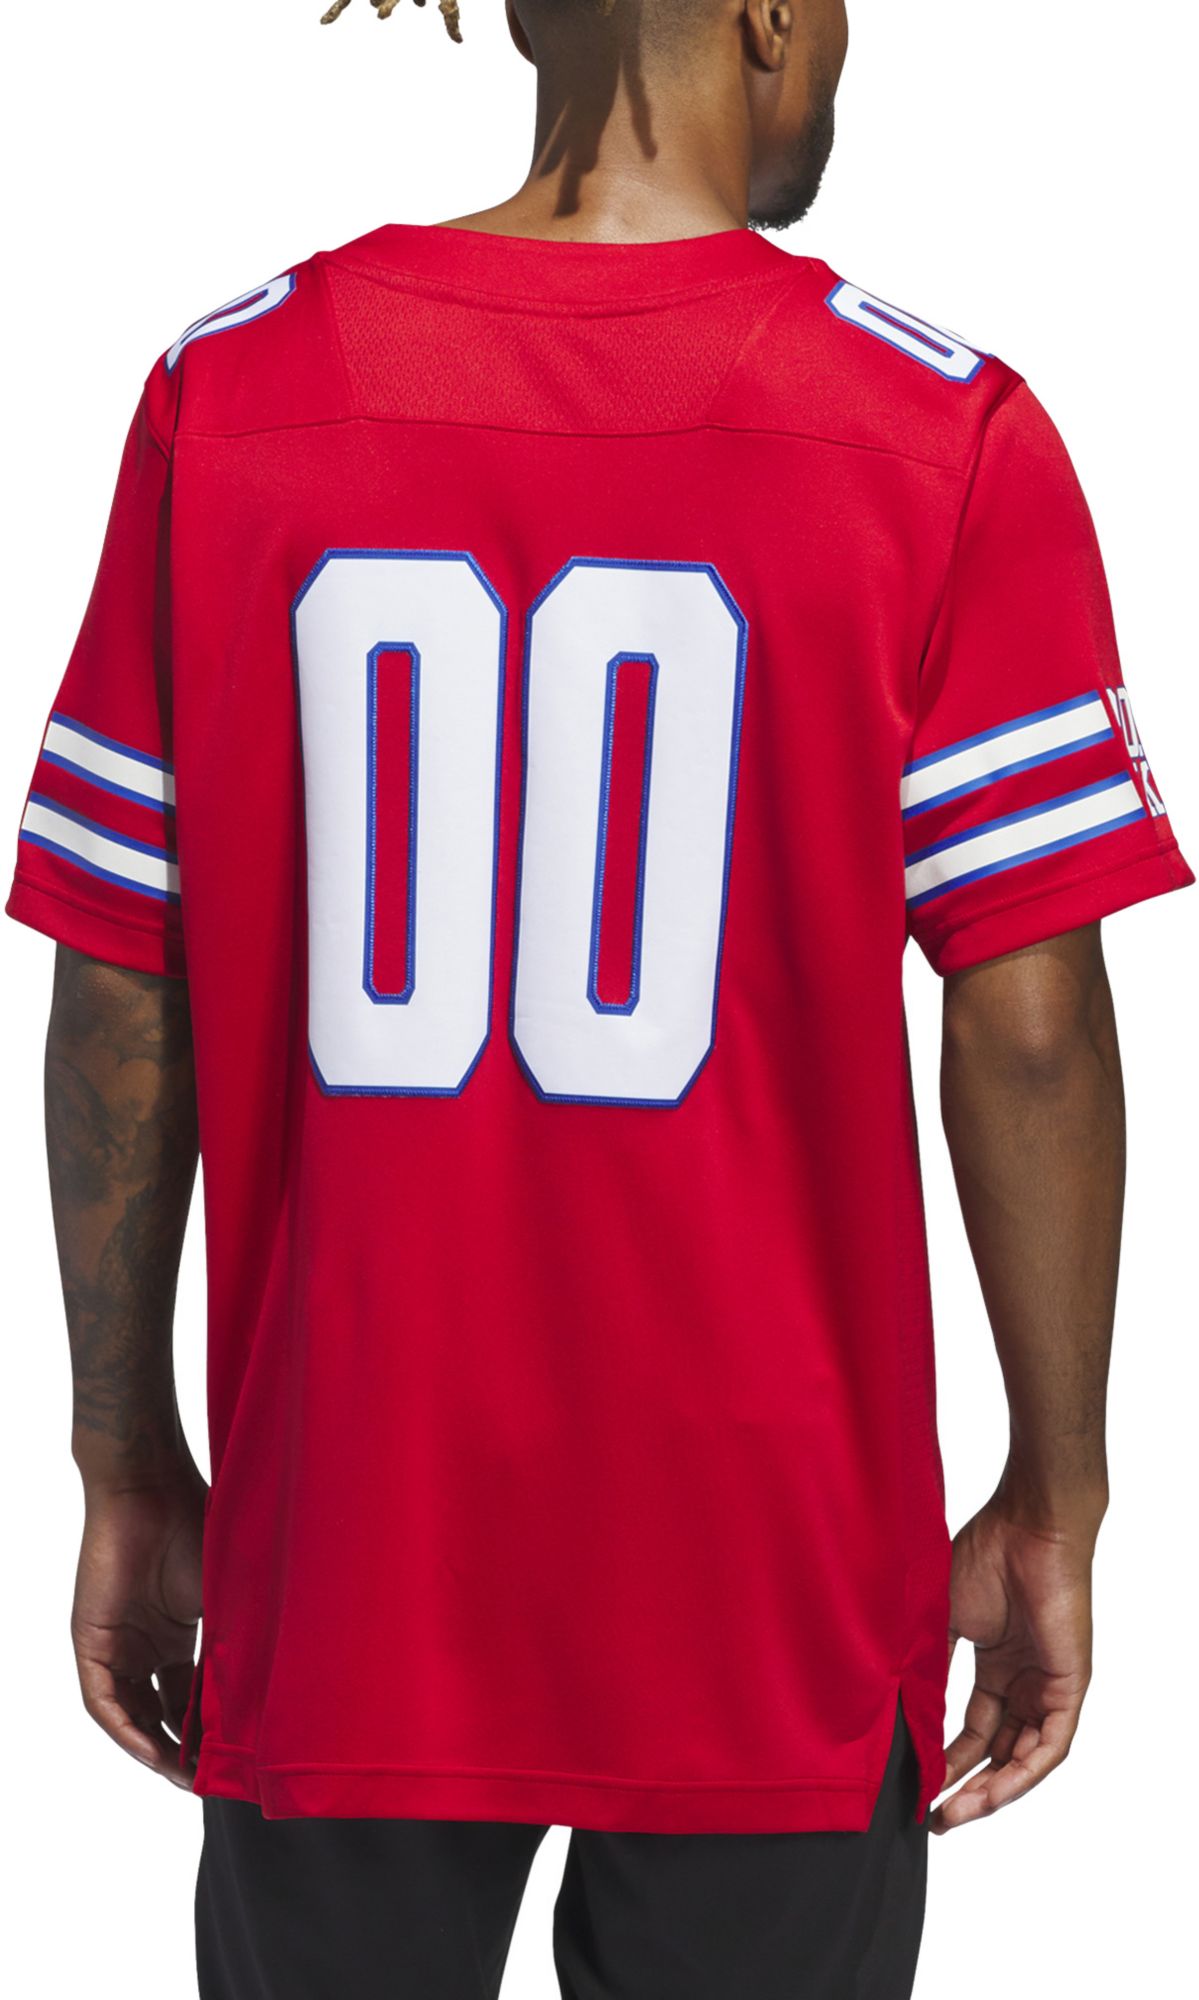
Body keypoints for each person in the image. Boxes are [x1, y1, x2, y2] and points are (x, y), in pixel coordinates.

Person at [8, 1, 1191, 1994]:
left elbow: (124, 983)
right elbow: (1033, 1024)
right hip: (773, 1581)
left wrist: (123, 1455)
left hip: (350, 1553)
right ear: (773, 11)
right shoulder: (940, 429)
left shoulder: (237, 392)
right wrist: (1057, 1493)